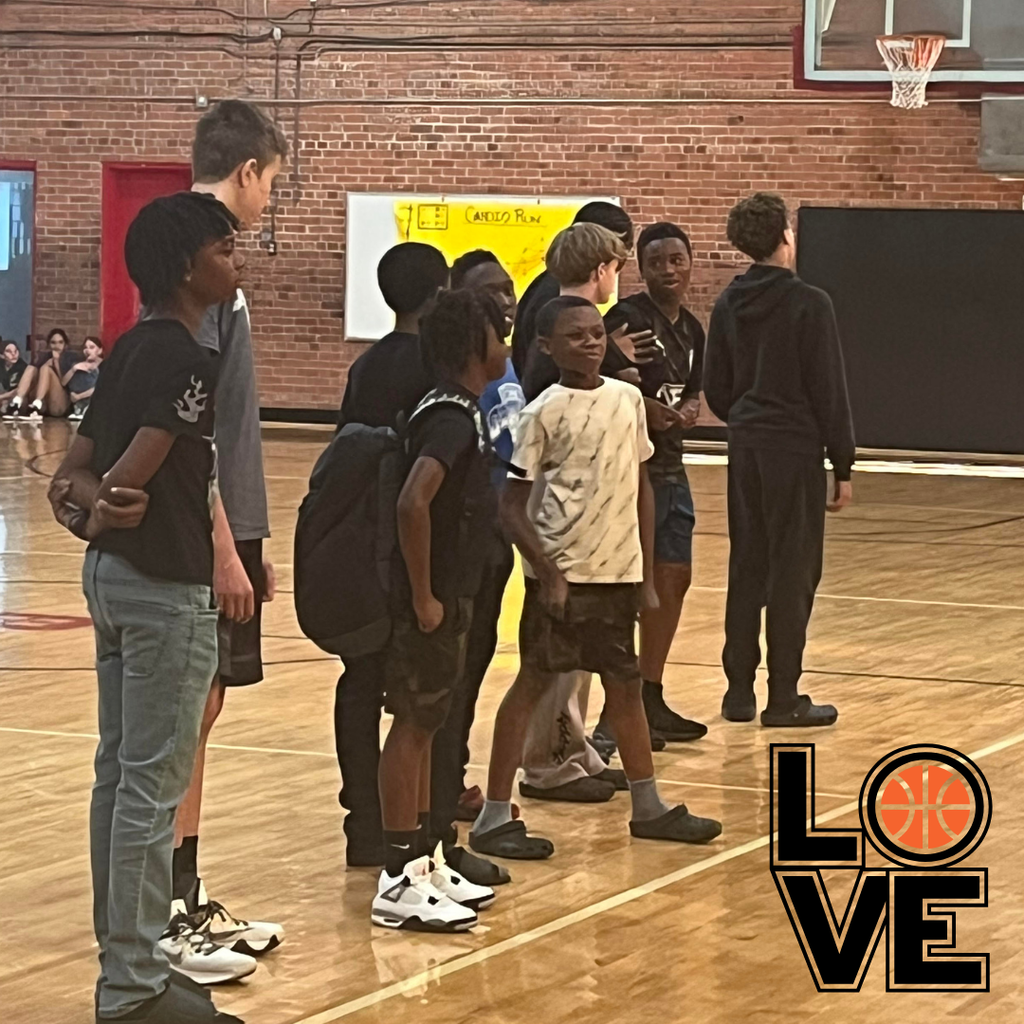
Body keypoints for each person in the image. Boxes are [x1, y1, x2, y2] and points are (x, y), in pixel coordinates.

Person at [47, 191, 246, 1024]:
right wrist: (105, 501)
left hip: (114, 581)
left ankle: (128, 966)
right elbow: (134, 464)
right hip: (163, 588)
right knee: (147, 790)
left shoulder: (128, 350)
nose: (236, 262)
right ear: (187, 266)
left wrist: (84, 504)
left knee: (116, 778)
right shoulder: (190, 360)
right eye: (225, 249)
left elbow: (73, 469)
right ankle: (131, 987)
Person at [469, 296, 723, 860]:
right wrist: (549, 572)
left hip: (618, 575)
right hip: (563, 578)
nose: (590, 343)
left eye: (595, 334)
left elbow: (642, 485)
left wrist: (646, 573)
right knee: (532, 685)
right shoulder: (541, 412)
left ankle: (649, 806)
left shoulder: (628, 399)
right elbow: (511, 506)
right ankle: (491, 815)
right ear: (545, 346)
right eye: (575, 336)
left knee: (626, 690)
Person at [147, 99, 289, 983]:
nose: (269, 202)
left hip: (227, 528)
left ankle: (183, 892)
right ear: (245, 173)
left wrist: (252, 529)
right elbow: (187, 425)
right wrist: (224, 545)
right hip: (199, 542)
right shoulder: (198, 268)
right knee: (181, 719)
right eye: (271, 183)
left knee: (206, 709)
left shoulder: (211, 266)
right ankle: (163, 908)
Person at [372, 289, 512, 932]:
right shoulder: (451, 417)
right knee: (412, 723)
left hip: (452, 593)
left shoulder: (459, 408)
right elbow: (412, 502)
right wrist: (425, 594)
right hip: (429, 601)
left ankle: (425, 857)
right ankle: (398, 871)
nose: (506, 343)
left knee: (428, 723)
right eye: (497, 331)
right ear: (471, 346)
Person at [703, 192, 854, 727]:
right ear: (785, 235)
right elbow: (828, 388)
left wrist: (746, 418)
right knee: (792, 571)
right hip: (793, 449)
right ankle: (784, 696)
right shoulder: (810, 302)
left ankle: (737, 692)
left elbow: (715, 387)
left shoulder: (727, 303)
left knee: (748, 564)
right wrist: (843, 462)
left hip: (745, 447)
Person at [334, 241, 450, 869]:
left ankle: (363, 820)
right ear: (440, 295)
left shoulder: (365, 367)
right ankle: (419, 823)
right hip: (406, 550)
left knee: (358, 683)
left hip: (357, 544)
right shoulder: (435, 371)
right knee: (417, 695)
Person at [597, 222, 708, 744]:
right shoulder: (626, 320)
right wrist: (644, 407)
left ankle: (650, 691)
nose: (669, 270)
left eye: (677, 260)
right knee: (627, 588)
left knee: (675, 576)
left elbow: (693, 391)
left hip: (672, 463)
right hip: (629, 469)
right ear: (640, 267)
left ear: (690, 264)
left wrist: (686, 408)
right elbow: (596, 385)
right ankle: (609, 713)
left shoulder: (692, 329)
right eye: (657, 261)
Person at [432, 250, 520, 827]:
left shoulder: (505, 368)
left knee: (477, 662)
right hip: (462, 542)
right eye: (490, 292)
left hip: (498, 535)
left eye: (509, 289)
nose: (506, 301)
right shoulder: (452, 393)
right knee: (449, 674)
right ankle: (435, 793)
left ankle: (451, 775)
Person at [511, 201, 635, 378]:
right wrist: (612, 359)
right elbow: (545, 372)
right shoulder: (558, 298)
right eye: (617, 264)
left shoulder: (552, 286)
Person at [6, 327, 78, 418]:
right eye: (53, 342)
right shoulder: (44, 357)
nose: (57, 346)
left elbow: (66, 384)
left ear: (65, 344)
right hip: (45, 404)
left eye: (60, 342)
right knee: (31, 368)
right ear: (48, 345)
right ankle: (17, 401)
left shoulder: (70, 358)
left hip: (60, 404)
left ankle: (37, 404)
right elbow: (33, 378)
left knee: (45, 368)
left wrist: (56, 363)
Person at [67, 336, 104, 420]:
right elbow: (64, 382)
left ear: (100, 350)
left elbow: (101, 387)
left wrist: (79, 396)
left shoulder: (106, 365)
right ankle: (80, 408)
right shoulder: (80, 365)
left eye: (92, 347)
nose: (88, 350)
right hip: (79, 401)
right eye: (85, 348)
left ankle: (87, 409)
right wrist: (74, 369)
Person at [1, 341, 28, 414]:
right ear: (2, 355)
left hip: (17, 398)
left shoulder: (23, 367)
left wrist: (2, 397)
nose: (13, 354)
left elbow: (18, 390)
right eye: (8, 351)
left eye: (16, 351)